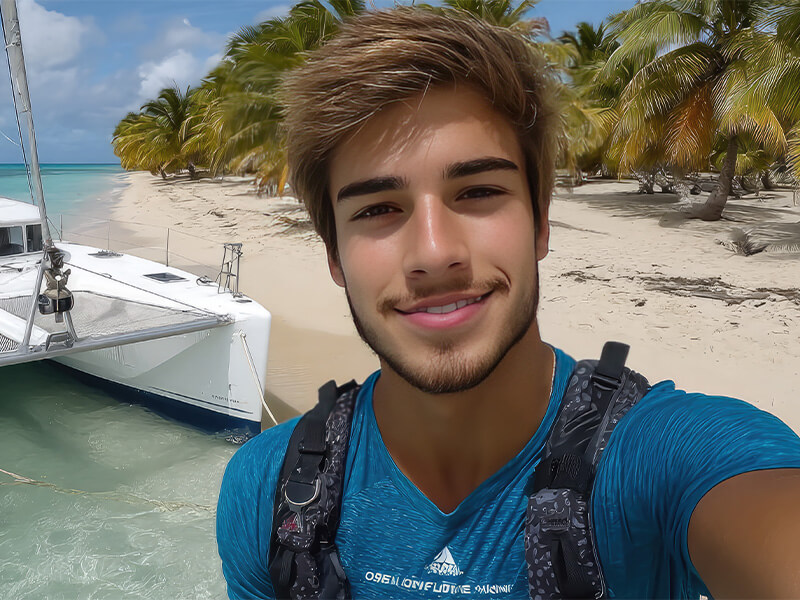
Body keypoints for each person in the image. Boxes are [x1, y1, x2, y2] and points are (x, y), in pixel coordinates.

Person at [217, 8, 800, 599]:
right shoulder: (268, 490)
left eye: (478, 192)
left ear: (540, 224)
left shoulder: (669, 459)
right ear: (335, 257)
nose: (435, 253)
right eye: (378, 209)